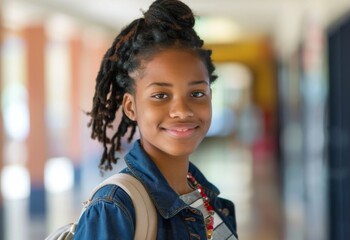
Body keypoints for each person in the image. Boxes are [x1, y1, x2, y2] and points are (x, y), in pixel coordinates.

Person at [74, 0, 238, 239]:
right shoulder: (115, 208)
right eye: (160, 95)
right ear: (131, 107)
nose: (182, 111)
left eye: (197, 93)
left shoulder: (211, 201)